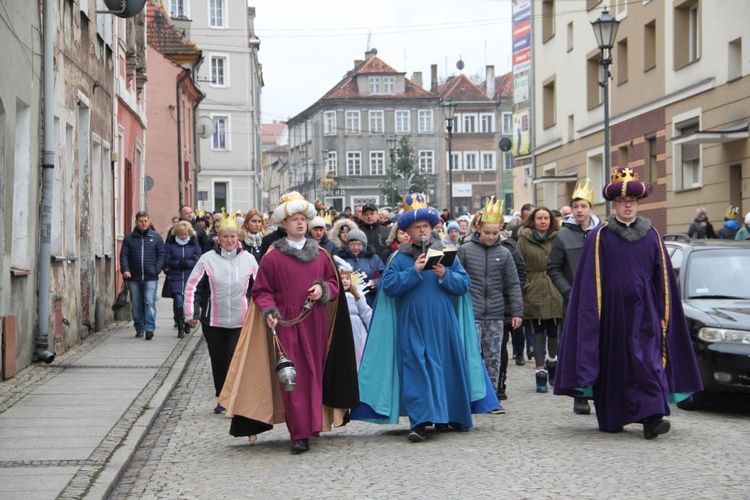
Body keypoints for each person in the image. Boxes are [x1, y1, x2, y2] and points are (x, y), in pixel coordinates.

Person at [554, 167, 703, 439]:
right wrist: (592, 318)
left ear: (638, 204)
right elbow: (588, 281)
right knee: (615, 365)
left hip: (645, 313)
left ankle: (652, 418)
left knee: (647, 362)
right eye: (622, 202)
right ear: (614, 205)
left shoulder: (652, 236)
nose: (628, 207)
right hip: (611, 314)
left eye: (632, 202)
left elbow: (664, 279)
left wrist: (663, 312)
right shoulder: (601, 236)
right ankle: (614, 415)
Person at [217, 192, 359, 454]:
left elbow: (333, 284)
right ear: (284, 223)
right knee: (292, 378)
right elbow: (261, 290)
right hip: (286, 326)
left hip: (315, 324)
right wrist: (269, 310)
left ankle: (312, 424)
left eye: (303, 219)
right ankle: (299, 434)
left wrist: (322, 289)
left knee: (314, 375)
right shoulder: (273, 257)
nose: (300, 223)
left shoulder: (321, 256)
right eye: (294, 219)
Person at [353, 193, 500, 442]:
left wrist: (445, 275)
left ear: (432, 229)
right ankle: (420, 420)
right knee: (415, 367)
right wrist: (414, 271)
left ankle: (446, 415)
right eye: (416, 227)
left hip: (443, 321)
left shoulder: (445, 254)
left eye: (425, 226)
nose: (422, 231)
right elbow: (389, 288)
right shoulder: (400, 258)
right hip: (412, 322)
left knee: (445, 366)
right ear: (407, 232)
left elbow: (463, 285)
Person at [184, 212, 258, 413]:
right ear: (218, 238)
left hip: (240, 319)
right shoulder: (207, 259)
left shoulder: (248, 259)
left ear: (238, 237)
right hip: (213, 320)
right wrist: (191, 312)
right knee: (218, 360)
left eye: (233, 236)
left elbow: (259, 289)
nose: (229, 240)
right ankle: (222, 398)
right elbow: (193, 287)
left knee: (234, 357)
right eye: (225, 236)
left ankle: (235, 397)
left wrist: (262, 313)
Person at [458, 197, 523, 409]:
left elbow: (513, 284)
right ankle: (470, 396)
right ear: (479, 229)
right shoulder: (466, 250)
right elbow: (458, 278)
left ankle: (492, 397)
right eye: (487, 233)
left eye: (495, 233)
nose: (491, 237)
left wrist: (517, 312)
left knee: (494, 356)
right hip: (472, 312)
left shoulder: (504, 253)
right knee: (472, 355)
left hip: (495, 313)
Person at [547, 179, 602, 415]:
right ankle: (579, 394)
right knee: (577, 348)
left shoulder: (603, 233)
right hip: (574, 302)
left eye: (583, 206)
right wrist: (569, 291)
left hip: (601, 302)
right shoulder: (563, 236)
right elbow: (554, 268)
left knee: (600, 347)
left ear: (591, 208)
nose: (579, 210)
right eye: (575, 206)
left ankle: (600, 391)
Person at [516, 206, 563, 393]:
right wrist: (525, 286)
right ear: (533, 221)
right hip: (533, 288)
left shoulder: (559, 237)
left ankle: (553, 363)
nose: (543, 222)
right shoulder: (524, 240)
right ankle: (540, 371)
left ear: (551, 220)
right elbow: (518, 265)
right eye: (539, 218)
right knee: (537, 331)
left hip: (554, 287)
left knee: (554, 330)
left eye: (546, 218)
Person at [119, 211, 165, 340]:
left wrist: (157, 268)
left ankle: (149, 328)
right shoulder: (129, 238)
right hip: (134, 277)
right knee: (136, 304)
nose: (144, 223)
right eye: (141, 221)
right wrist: (125, 269)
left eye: (146, 221)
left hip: (151, 276)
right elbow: (124, 256)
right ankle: (139, 327)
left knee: (149, 302)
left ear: (149, 221)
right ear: (136, 222)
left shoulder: (156, 237)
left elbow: (162, 254)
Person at [164, 221, 202, 338]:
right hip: (176, 277)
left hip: (190, 277)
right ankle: (180, 325)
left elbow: (199, 259)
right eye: (181, 234)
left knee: (188, 301)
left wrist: (188, 263)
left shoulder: (193, 244)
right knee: (179, 301)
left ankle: (187, 322)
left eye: (185, 234)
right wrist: (178, 263)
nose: (183, 236)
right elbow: (167, 260)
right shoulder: (171, 244)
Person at [335, 257, 372, 370]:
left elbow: (366, 312)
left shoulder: (357, 295)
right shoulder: (335, 296)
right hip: (341, 326)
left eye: (347, 278)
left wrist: (372, 326)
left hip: (355, 327)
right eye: (342, 278)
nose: (345, 281)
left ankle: (358, 372)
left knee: (358, 349)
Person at [335, 229, 385, 309]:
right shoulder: (339, 259)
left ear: (364, 245)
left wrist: (375, 283)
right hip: (346, 300)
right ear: (347, 245)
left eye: (359, 244)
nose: (356, 247)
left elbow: (385, 276)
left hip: (369, 300)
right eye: (352, 244)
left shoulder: (373, 258)